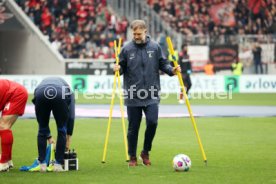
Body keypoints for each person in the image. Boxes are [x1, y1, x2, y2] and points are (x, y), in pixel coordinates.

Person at [114, 20, 180, 167]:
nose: (136, 36)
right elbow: (121, 67)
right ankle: (132, 156)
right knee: (133, 128)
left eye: (139, 33)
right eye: (134, 34)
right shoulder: (126, 49)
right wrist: (117, 69)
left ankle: (145, 151)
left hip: (152, 93)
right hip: (132, 95)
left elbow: (163, 63)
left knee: (152, 122)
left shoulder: (155, 47)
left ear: (145, 31)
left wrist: (172, 71)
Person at [32, 77, 75, 172]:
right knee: (61, 129)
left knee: (42, 128)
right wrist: (69, 136)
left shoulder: (41, 84)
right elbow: (71, 116)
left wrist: (48, 136)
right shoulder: (70, 91)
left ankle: (42, 163)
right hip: (60, 93)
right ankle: (58, 164)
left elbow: (40, 117)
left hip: (40, 92)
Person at [0, 79, 28, 172]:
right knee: (4, 127)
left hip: (16, 94)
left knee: (3, 126)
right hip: (14, 92)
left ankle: (3, 163)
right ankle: (7, 160)